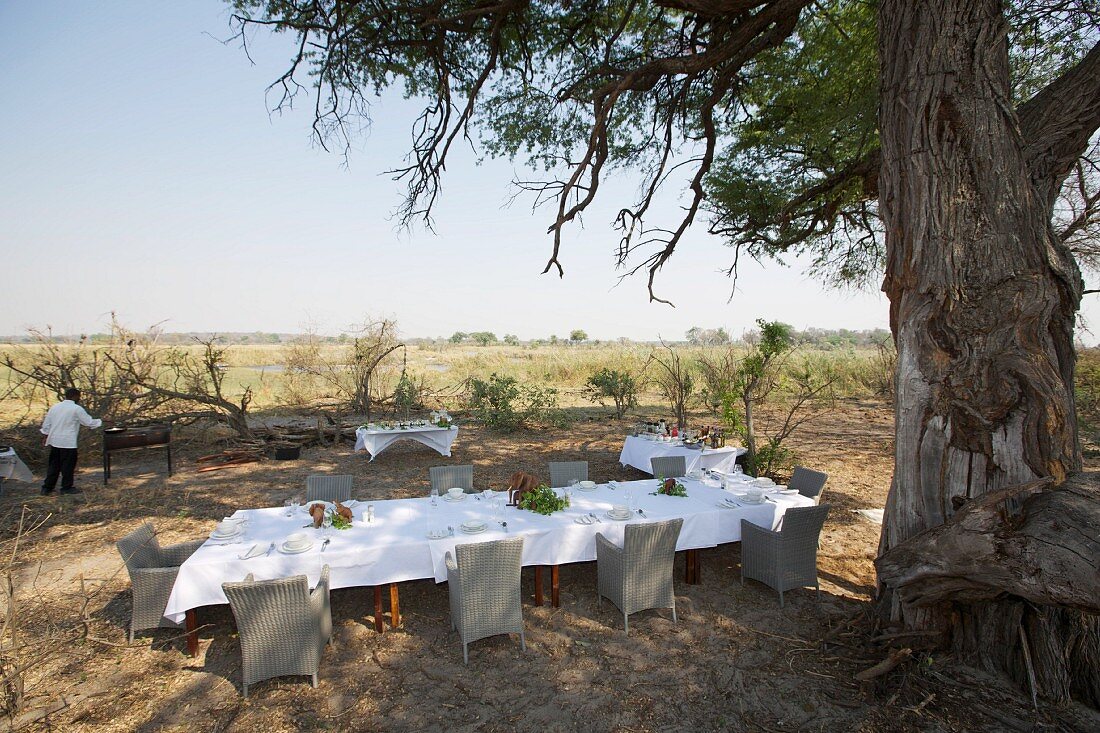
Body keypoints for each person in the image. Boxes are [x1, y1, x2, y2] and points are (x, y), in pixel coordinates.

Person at [40, 388, 102, 495]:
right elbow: (88, 422)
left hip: (55, 441)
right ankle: (66, 488)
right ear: (75, 396)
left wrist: (46, 436)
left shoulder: (55, 407)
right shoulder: (76, 409)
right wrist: (100, 421)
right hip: (68, 442)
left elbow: (46, 425)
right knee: (68, 466)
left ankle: (47, 488)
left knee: (53, 466)